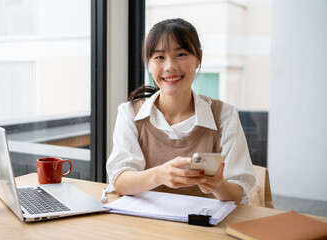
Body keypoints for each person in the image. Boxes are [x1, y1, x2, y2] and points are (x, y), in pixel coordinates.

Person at [105, 18, 255, 204]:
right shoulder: (130, 113)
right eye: (159, 57)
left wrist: (218, 185)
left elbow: (238, 194)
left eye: (181, 54)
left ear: (198, 58)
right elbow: (120, 181)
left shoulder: (224, 115)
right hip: (145, 226)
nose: (170, 66)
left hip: (204, 228)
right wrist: (160, 175)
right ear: (149, 64)